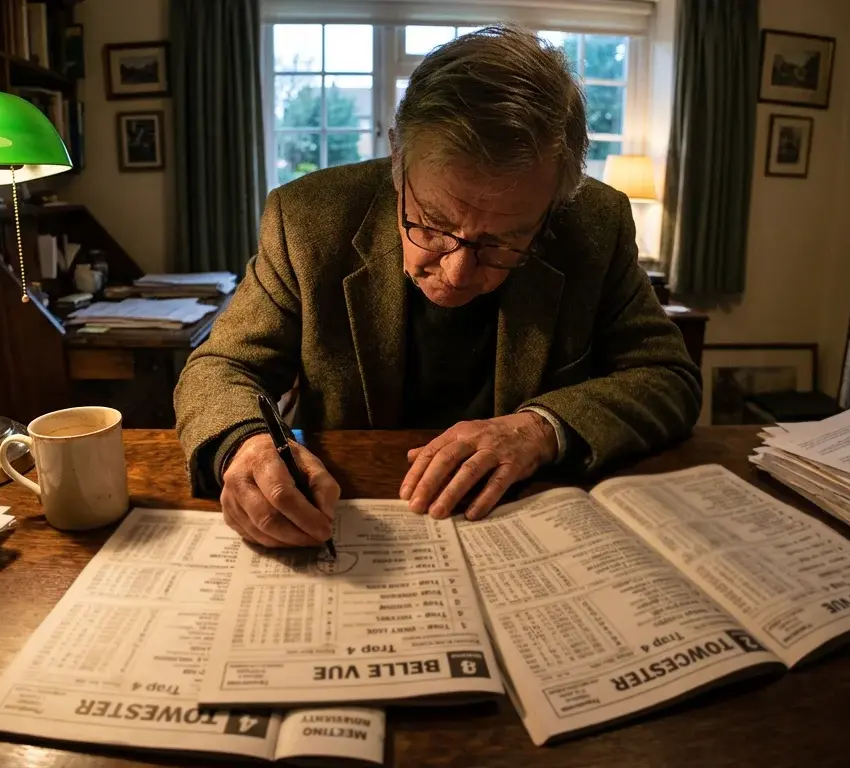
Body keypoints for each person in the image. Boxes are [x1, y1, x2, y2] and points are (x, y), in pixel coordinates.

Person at [173, 26, 702, 548]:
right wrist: (243, 444)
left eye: (503, 242)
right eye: (430, 224)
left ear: (552, 207)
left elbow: (667, 376)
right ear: (398, 160)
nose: (456, 275)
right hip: (347, 518)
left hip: (528, 526)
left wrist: (541, 429)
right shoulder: (309, 219)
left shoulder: (596, 223)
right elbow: (222, 367)